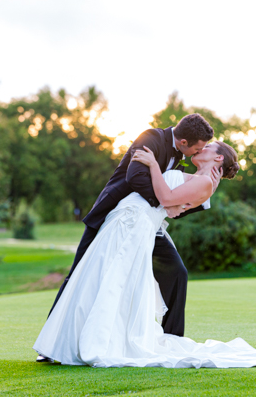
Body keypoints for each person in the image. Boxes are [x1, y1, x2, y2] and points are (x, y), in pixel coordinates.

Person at [33, 141, 256, 368]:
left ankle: (94, 341)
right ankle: (80, 339)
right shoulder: (198, 178)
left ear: (218, 157)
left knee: (113, 279)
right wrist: (172, 193)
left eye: (207, 148)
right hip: (132, 221)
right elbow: (173, 208)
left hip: (135, 225)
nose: (200, 150)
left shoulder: (205, 182)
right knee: (105, 277)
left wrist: (152, 165)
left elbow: (166, 198)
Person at [36, 114, 219, 363]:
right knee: (80, 273)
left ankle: (171, 340)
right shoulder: (151, 138)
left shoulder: (181, 159)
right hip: (118, 218)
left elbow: (178, 198)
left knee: (177, 272)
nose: (198, 152)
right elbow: (136, 177)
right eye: (197, 147)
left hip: (148, 226)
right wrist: (164, 204)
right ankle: (52, 344)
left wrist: (195, 197)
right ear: (184, 140)